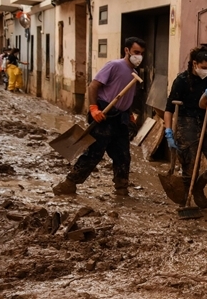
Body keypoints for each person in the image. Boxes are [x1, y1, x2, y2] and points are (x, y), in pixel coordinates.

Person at [52, 37, 145, 197]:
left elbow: (126, 98)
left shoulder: (134, 74)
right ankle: (69, 183)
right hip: (104, 114)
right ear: (127, 50)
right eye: (136, 52)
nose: (139, 56)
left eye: (142, 53)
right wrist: (94, 108)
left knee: (123, 155)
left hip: (120, 118)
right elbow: (93, 85)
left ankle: (121, 188)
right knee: (94, 152)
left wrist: (129, 115)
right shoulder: (114, 66)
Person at [162, 47, 207, 208]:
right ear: (195, 63)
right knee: (189, 169)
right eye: (203, 68)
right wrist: (168, 131)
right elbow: (169, 109)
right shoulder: (182, 81)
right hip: (186, 123)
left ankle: (199, 186)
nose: (206, 71)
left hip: (206, 122)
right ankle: (186, 198)